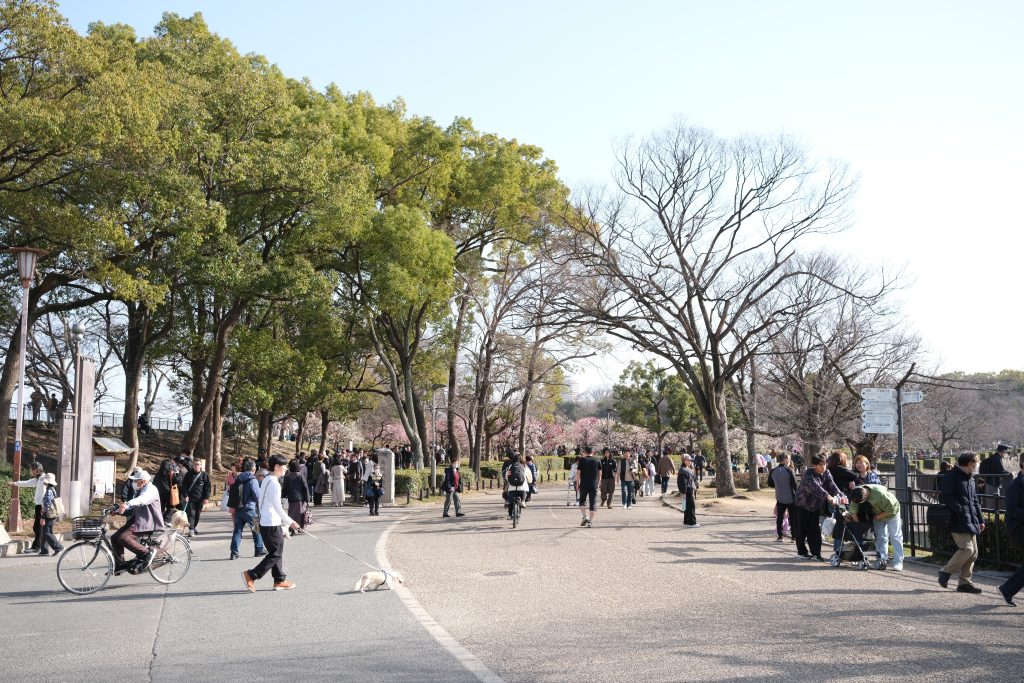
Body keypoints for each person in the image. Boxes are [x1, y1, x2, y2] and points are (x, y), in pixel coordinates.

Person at [242, 454, 299, 592]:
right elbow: (277, 507)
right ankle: (251, 574)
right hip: (270, 523)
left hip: (265, 521)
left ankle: (279, 580)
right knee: (275, 554)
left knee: (276, 551)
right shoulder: (274, 483)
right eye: (284, 466)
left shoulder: (267, 479)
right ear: (277, 467)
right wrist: (290, 522)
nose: (286, 468)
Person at [938, 452, 985, 594]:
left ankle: (964, 582)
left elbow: (975, 501)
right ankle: (945, 572)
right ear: (969, 462)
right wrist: (960, 510)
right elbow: (945, 496)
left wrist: (981, 519)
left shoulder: (970, 479)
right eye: (975, 462)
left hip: (970, 519)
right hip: (957, 519)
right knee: (968, 549)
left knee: (974, 553)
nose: (976, 465)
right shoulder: (951, 476)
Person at [794, 454, 845, 562]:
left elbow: (832, 485)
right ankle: (801, 552)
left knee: (815, 530)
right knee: (801, 530)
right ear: (814, 465)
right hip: (802, 505)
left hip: (815, 506)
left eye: (824, 464)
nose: (823, 467)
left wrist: (841, 496)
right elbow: (816, 488)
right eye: (820, 465)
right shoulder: (808, 475)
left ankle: (816, 554)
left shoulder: (827, 473)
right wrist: (828, 497)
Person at [112, 469, 163, 573]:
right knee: (114, 538)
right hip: (138, 519)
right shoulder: (141, 490)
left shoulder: (151, 489)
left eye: (136, 480)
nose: (134, 482)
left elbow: (142, 500)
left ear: (143, 481)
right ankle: (120, 564)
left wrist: (127, 504)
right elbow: (133, 508)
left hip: (147, 521)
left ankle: (146, 553)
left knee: (123, 538)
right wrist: (117, 511)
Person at [848, 484, 904, 571]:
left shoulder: (880, 494)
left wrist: (876, 518)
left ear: (865, 496)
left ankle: (898, 562)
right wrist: (859, 525)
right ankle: (881, 560)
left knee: (895, 537)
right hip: (876, 514)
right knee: (880, 538)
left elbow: (892, 509)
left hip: (892, 514)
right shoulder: (856, 493)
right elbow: (853, 511)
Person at [998, 453, 1024, 606]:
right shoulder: (1015, 486)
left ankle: (1007, 589)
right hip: (1019, 528)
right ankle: (1007, 589)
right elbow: (1012, 510)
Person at [230, 460, 267, 560]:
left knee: (237, 531)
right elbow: (257, 496)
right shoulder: (252, 480)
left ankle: (234, 553)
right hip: (250, 509)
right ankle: (259, 549)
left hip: (238, 509)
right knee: (257, 529)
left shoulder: (238, 478)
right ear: (254, 469)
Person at [13, 461, 47, 553]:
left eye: (31, 469)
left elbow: (44, 494)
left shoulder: (43, 479)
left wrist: (44, 509)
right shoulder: (38, 479)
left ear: (36, 470)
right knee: (39, 527)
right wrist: (15, 483)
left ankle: (37, 547)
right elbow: (27, 483)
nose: (30, 471)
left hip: (42, 506)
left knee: (38, 527)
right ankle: (42, 547)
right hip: (40, 506)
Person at [769, 452, 798, 542]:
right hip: (790, 497)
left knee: (780, 517)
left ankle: (780, 536)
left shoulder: (773, 471)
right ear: (785, 459)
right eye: (788, 458)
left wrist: (778, 485)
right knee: (793, 517)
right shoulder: (789, 471)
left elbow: (770, 483)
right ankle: (793, 536)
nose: (789, 460)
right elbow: (795, 484)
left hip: (779, 496)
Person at [181, 458, 210, 537]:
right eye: (195, 464)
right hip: (190, 499)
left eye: (198, 464)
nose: (196, 466)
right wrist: (185, 495)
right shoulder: (188, 474)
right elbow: (184, 486)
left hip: (200, 499)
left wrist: (206, 498)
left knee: (197, 515)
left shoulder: (204, 475)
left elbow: (207, 488)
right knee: (191, 514)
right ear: (193, 465)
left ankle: (194, 527)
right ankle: (191, 529)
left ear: (201, 465)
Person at [37, 473, 64, 557]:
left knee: (47, 532)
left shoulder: (48, 491)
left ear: (47, 482)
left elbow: (47, 505)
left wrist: (43, 517)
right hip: (53, 514)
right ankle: (44, 550)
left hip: (49, 515)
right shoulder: (53, 489)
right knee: (46, 532)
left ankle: (58, 547)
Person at [282, 459, 310, 534]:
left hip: (291, 498)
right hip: (300, 498)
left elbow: (284, 488)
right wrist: (307, 498)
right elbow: (305, 487)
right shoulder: (300, 476)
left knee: (291, 513)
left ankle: (292, 528)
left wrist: (283, 497)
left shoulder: (287, 477)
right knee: (301, 513)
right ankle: (300, 528)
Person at [576, 446, 601, 527]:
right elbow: (600, 474)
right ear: (592, 452)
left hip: (583, 484)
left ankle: (584, 516)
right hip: (594, 484)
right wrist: (598, 483)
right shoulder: (597, 460)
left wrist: (577, 483)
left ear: (585, 452)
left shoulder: (581, 460)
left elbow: (578, 473)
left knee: (582, 501)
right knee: (592, 502)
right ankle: (590, 521)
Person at [503, 454, 532, 519]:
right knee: (524, 491)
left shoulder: (511, 466)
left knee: (511, 501)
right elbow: (529, 476)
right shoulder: (524, 466)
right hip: (522, 487)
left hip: (512, 487)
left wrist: (508, 481)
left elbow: (506, 475)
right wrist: (530, 481)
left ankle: (510, 515)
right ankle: (523, 501)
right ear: (522, 459)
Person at [678, 454, 699, 527]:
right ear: (684, 461)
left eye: (691, 460)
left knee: (687, 507)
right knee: (691, 506)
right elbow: (682, 482)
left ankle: (686, 522)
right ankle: (692, 522)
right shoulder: (683, 470)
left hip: (690, 489)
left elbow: (694, 479)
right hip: (688, 490)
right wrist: (683, 491)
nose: (690, 461)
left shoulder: (688, 469)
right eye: (689, 460)